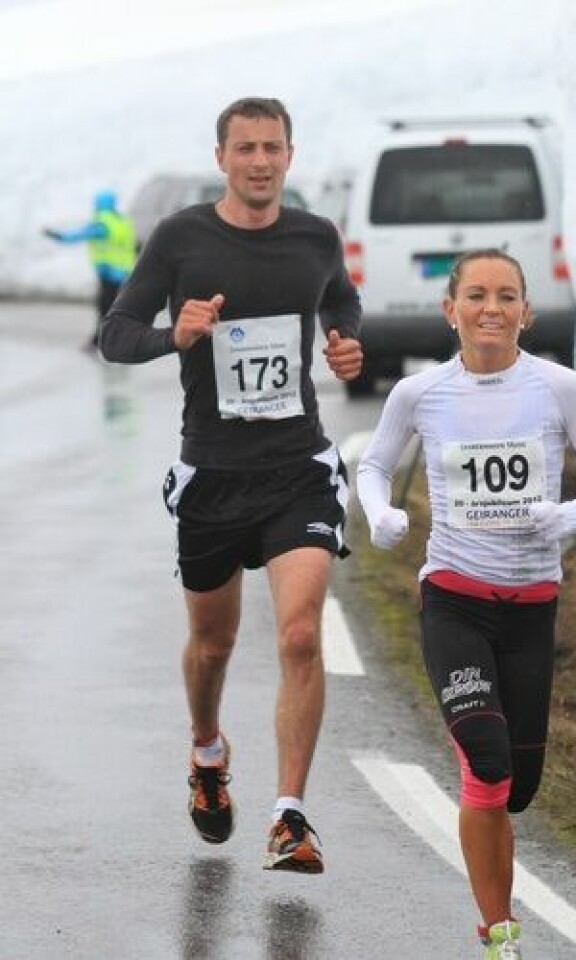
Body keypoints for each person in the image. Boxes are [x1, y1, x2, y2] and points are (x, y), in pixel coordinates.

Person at [100, 96, 363, 874]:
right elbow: (116, 334)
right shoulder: (182, 238)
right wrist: (172, 336)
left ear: (290, 155)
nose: (259, 161)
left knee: (300, 634)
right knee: (213, 645)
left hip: (297, 471)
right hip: (213, 475)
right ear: (222, 157)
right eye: (244, 147)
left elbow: (343, 303)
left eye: (271, 147)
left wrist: (349, 346)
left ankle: (290, 816)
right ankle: (208, 751)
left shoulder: (316, 237)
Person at [356, 249, 576, 959]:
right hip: (454, 599)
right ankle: (498, 932)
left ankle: (498, 914)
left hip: (531, 607)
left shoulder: (559, 388)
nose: (491, 309)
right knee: (486, 757)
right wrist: (378, 512)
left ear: (525, 312)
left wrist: (564, 517)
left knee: (520, 785)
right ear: (451, 310)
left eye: (507, 296)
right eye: (476, 295)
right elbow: (374, 464)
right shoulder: (420, 395)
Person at [43, 189, 137, 351]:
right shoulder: (122, 221)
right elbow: (134, 245)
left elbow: (79, 235)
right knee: (117, 307)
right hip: (124, 272)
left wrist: (58, 236)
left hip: (108, 273)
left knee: (105, 307)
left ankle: (101, 341)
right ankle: (113, 339)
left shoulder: (102, 223)